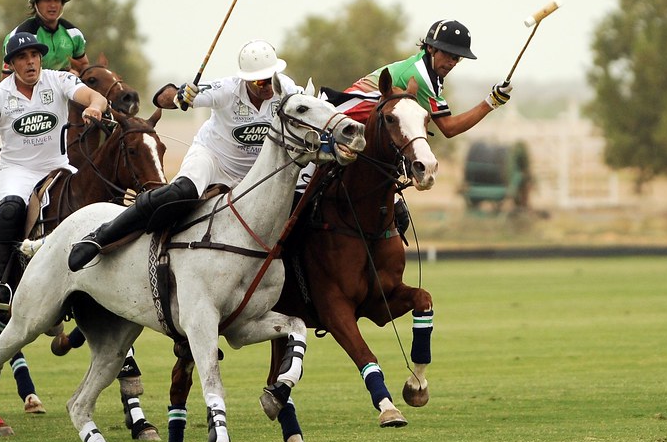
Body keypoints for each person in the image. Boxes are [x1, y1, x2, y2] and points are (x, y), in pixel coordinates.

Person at [68, 39, 297, 271]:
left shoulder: (286, 89)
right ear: (245, 79)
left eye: (272, 77)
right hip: (214, 159)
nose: (268, 86)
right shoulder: (227, 90)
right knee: (182, 192)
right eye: (260, 80)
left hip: (258, 170)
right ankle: (100, 237)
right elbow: (161, 98)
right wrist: (179, 96)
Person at [323, 18, 513, 237]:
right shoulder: (420, 77)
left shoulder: (428, 69)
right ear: (430, 47)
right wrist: (490, 103)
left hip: (364, 133)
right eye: (447, 54)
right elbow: (448, 128)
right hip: (339, 125)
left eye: (457, 57)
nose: (452, 62)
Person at [0, 32, 107, 312]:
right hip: (18, 171)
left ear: (41, 58)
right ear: (12, 64)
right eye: (22, 58)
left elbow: (95, 96)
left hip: (57, 166)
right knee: (12, 208)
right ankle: (1, 282)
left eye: (34, 56)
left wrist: (95, 108)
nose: (30, 63)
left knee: (91, 203)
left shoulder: (59, 80)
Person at [2, 0, 88, 76]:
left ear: (62, 4)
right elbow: (6, 78)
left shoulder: (74, 33)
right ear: (35, 4)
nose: (53, 5)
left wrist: (78, 73)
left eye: (56, 0)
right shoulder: (19, 35)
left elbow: (84, 66)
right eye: (47, 0)